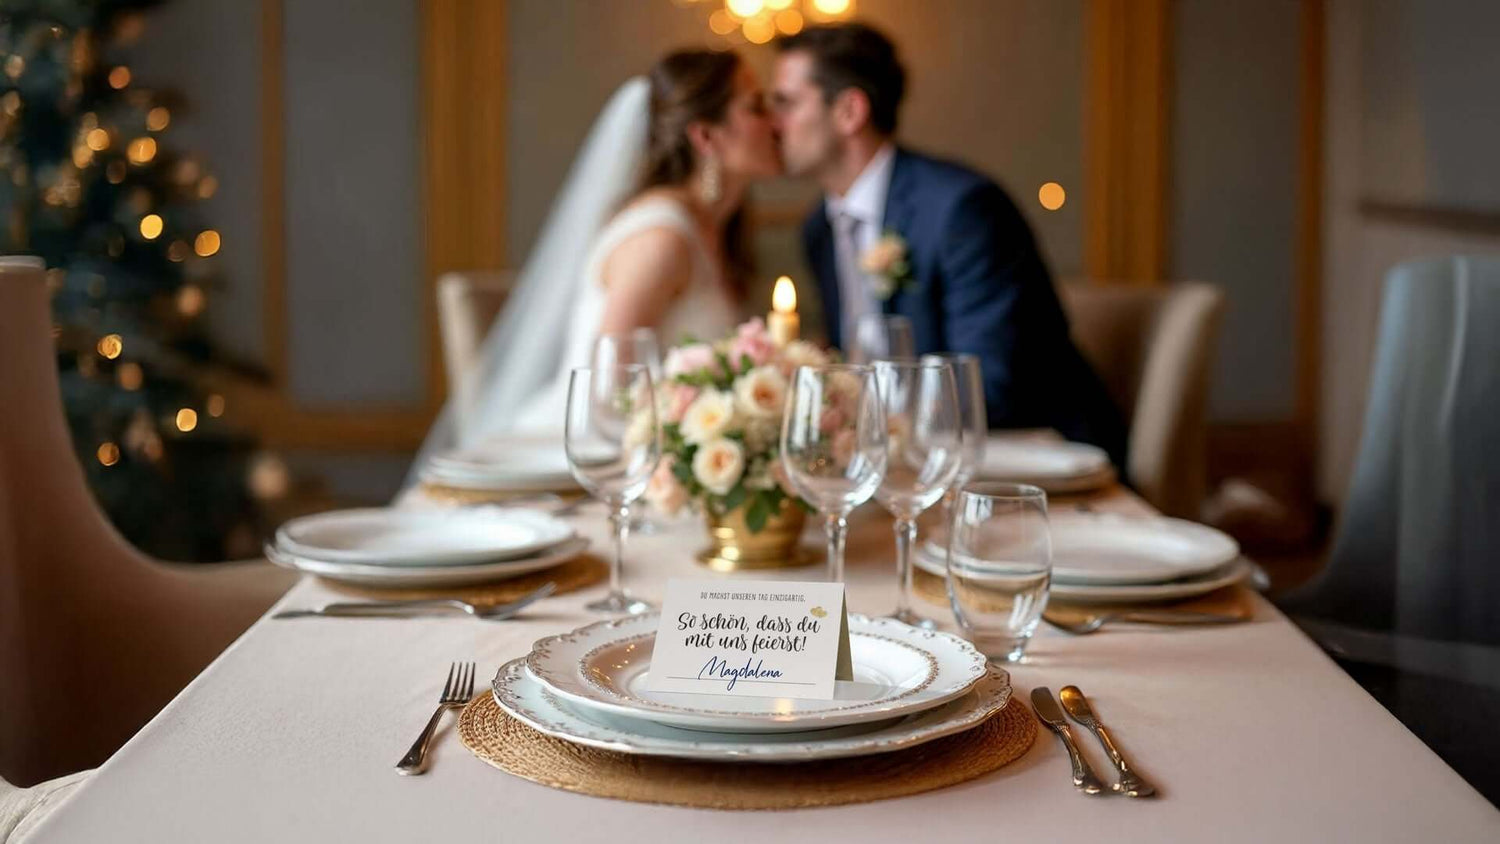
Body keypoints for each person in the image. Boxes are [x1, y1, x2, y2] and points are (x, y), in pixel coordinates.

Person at [771, 23, 1128, 469]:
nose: (772, 122)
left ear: (848, 111)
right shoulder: (817, 229)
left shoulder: (962, 210)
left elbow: (989, 389)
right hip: (904, 462)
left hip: (1031, 465)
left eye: (785, 103)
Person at [418, 48, 782, 457]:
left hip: (652, 458)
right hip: (584, 460)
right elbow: (608, 391)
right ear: (706, 136)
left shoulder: (714, 229)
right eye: (756, 107)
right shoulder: (661, 239)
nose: (776, 122)